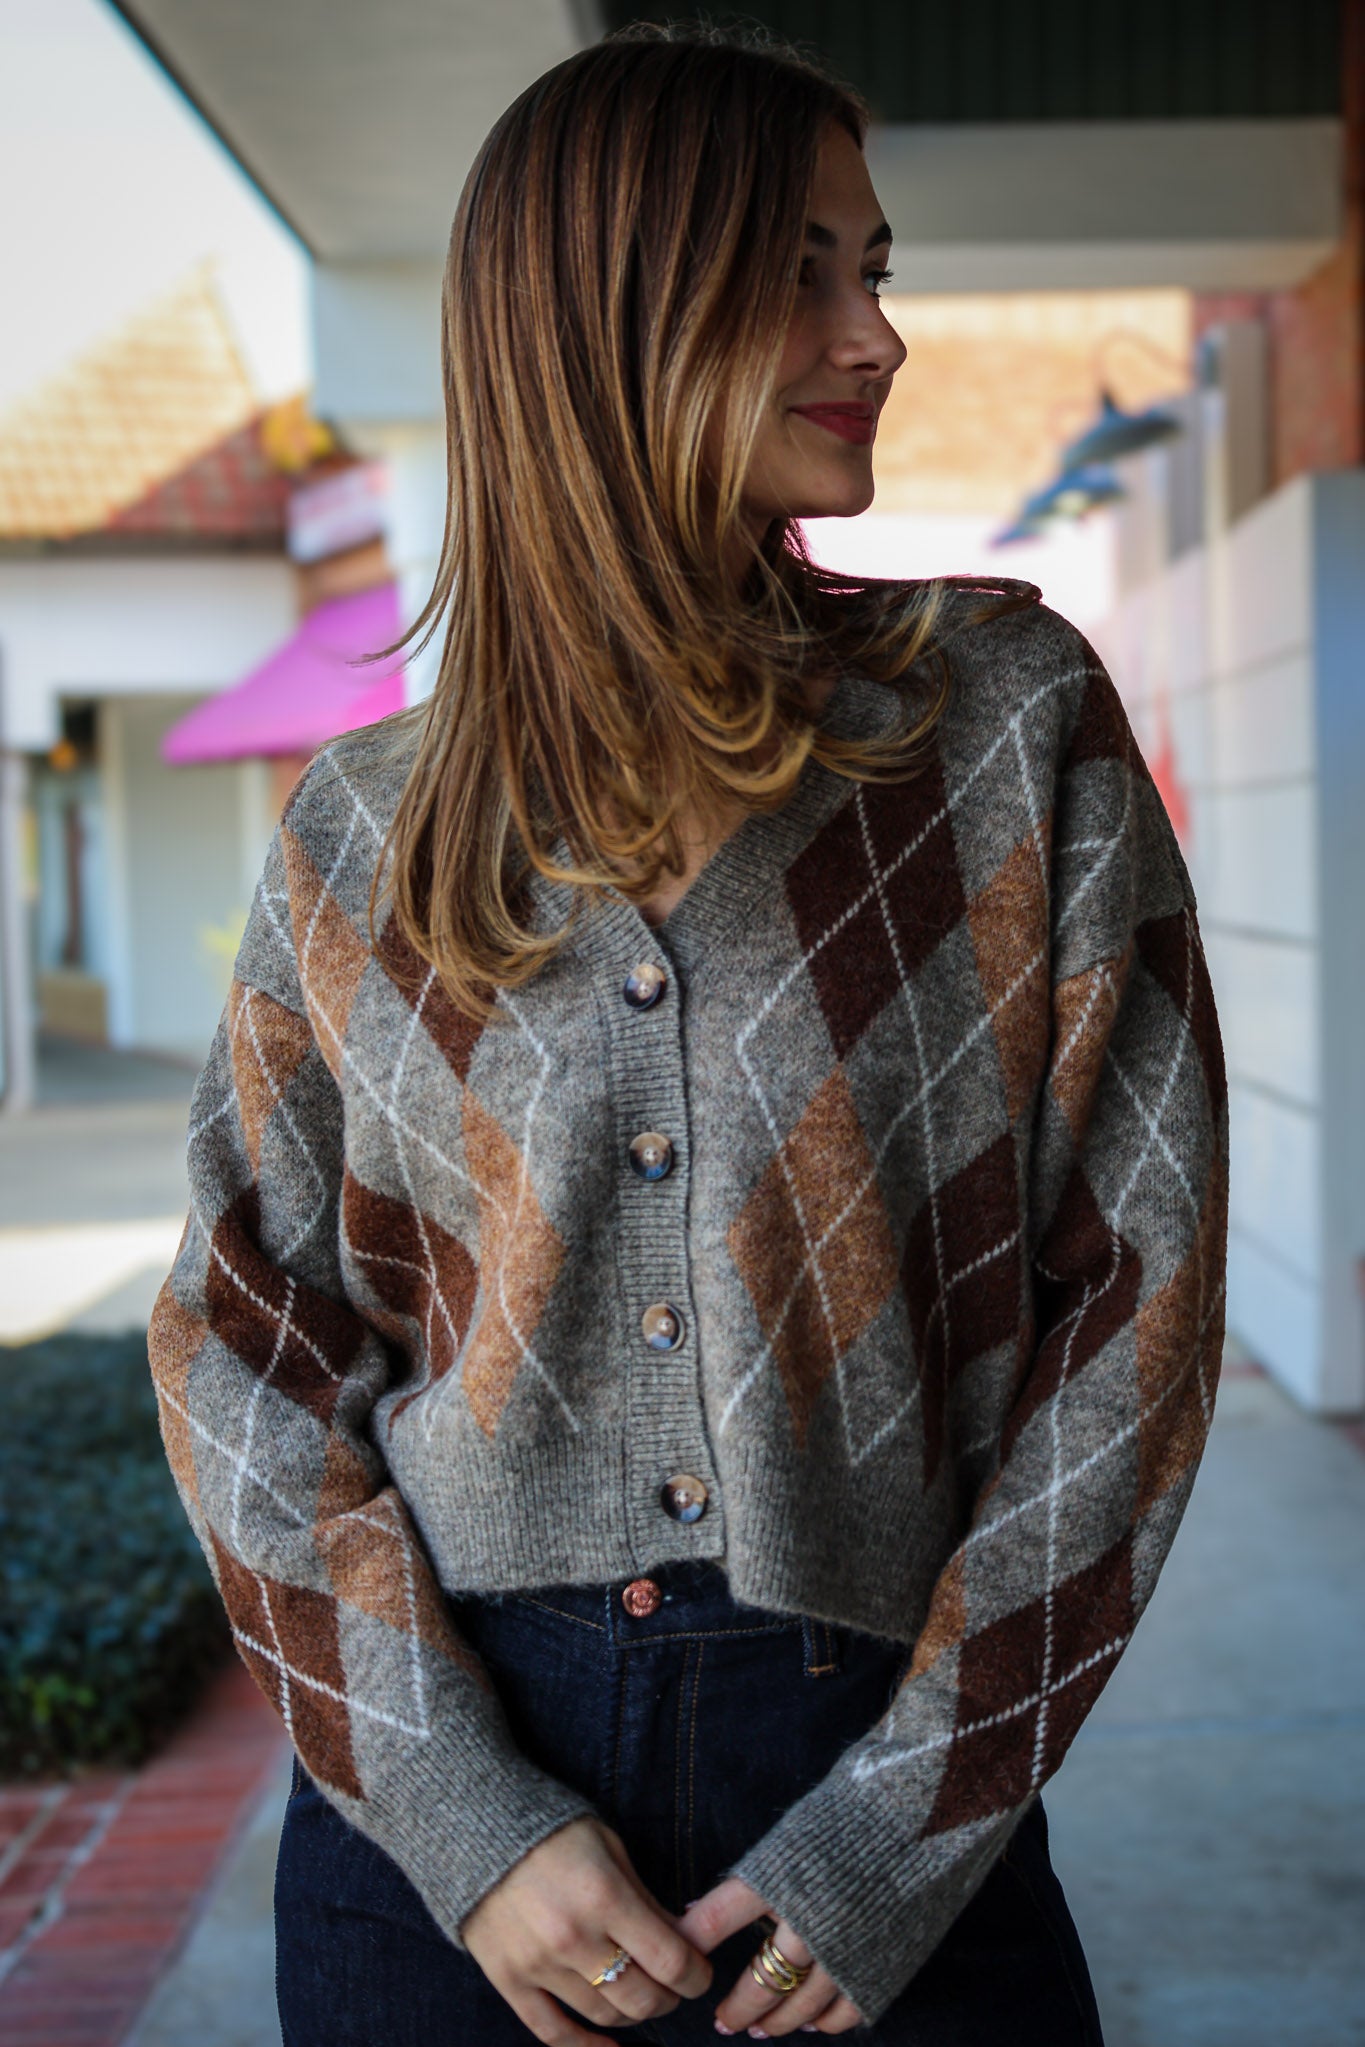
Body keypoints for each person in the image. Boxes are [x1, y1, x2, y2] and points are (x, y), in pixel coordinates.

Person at [147, 21, 1228, 2047]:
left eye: (872, 266)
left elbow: (1136, 1306)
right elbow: (238, 1340)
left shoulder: (1001, 726)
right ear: (605, 315)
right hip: (443, 1861)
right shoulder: (361, 830)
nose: (875, 334)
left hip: (877, 1804)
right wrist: (458, 1813)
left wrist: (905, 1823)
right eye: (799, 269)